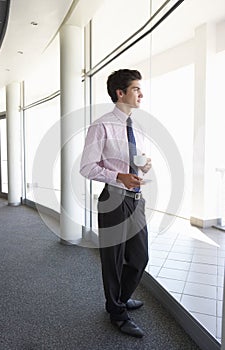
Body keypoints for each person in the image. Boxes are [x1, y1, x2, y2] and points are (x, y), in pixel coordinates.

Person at [80, 69, 151, 338]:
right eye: (136, 89)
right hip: (114, 199)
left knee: (140, 257)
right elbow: (87, 167)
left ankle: (119, 298)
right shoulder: (102, 125)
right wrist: (117, 175)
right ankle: (117, 312)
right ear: (120, 93)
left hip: (136, 199)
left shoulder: (137, 127)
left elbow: (136, 160)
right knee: (114, 259)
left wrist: (144, 165)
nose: (141, 94)